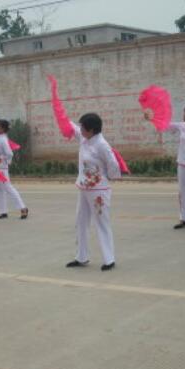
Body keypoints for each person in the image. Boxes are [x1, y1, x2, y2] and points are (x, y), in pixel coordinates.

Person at [65, 113, 121, 271]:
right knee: (80, 222)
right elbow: (72, 128)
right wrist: (61, 117)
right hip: (83, 188)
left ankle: (109, 259)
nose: (80, 129)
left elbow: (113, 165)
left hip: (99, 191)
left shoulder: (102, 144)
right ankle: (81, 257)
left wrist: (108, 177)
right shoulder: (84, 138)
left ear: (91, 130)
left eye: (83, 127)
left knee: (102, 223)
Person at [0, 119, 28, 220]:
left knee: (7, 188)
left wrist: (0, 158)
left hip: (1, 168)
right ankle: (2, 212)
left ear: (2, 129)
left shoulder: (3, 139)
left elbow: (10, 153)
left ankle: (23, 208)